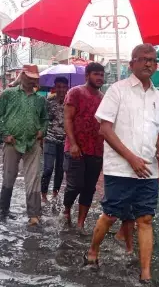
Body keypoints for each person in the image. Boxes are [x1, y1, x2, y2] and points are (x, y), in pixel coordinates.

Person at [86, 44, 159, 284]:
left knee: (145, 219)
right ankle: (92, 250)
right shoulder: (117, 90)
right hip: (120, 168)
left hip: (148, 170)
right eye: (143, 59)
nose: (148, 63)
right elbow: (104, 129)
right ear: (132, 63)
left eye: (152, 60)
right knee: (111, 214)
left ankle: (145, 273)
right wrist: (131, 158)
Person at [0, 64, 48, 226]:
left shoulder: (40, 100)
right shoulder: (8, 94)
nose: (31, 81)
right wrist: (4, 135)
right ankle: (4, 210)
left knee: (33, 177)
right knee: (9, 176)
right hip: (12, 142)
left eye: (34, 79)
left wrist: (42, 131)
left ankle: (34, 215)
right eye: (28, 77)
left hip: (32, 143)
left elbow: (44, 119)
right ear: (22, 76)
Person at [63, 62, 105, 232]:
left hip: (96, 150)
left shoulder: (104, 98)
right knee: (75, 185)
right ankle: (66, 210)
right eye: (96, 74)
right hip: (75, 148)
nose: (100, 78)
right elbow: (67, 119)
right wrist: (72, 143)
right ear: (87, 75)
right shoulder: (75, 93)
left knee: (89, 188)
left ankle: (80, 223)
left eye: (102, 75)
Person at [41, 77, 69, 203]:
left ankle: (55, 193)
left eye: (63, 87)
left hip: (65, 141)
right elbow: (43, 120)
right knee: (47, 168)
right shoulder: (49, 101)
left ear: (67, 88)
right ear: (55, 87)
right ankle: (43, 194)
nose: (61, 89)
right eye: (59, 87)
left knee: (60, 169)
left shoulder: (71, 102)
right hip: (50, 139)